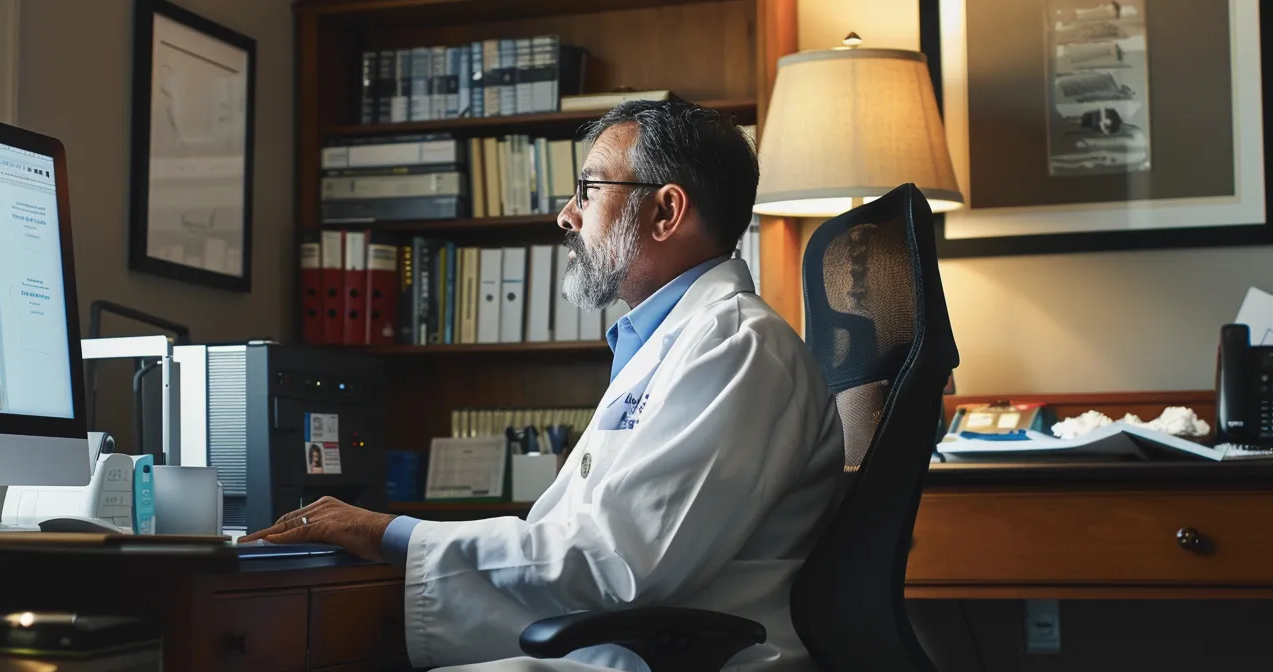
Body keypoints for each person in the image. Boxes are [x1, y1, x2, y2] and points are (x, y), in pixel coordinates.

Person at [242, 100, 844, 672]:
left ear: (666, 212)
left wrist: (389, 533)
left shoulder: (735, 347)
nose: (567, 214)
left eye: (589, 190)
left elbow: (617, 563)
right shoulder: (675, 344)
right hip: (630, 644)